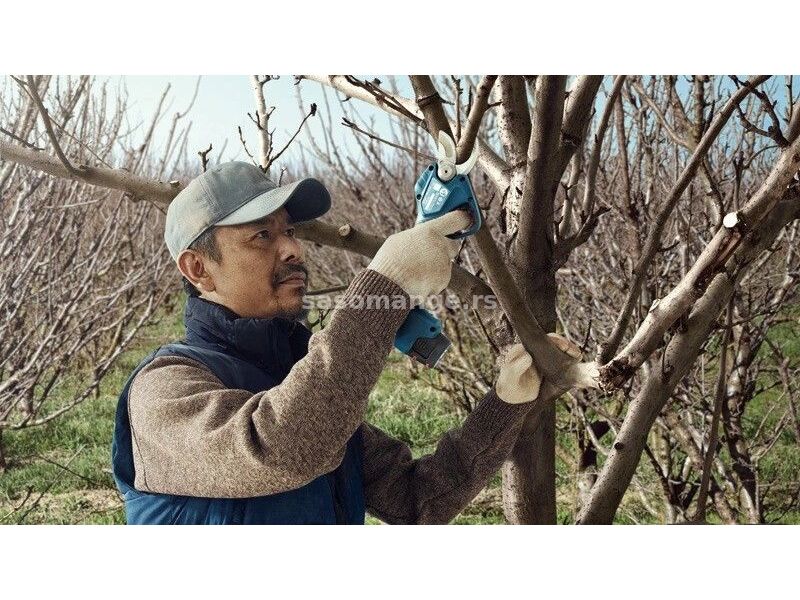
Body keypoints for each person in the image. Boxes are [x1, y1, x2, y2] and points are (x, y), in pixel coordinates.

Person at [111, 160, 581, 524]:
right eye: (261, 235)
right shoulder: (163, 391)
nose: (292, 248)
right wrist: (386, 283)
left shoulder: (297, 382)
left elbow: (418, 501)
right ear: (198, 268)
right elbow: (283, 448)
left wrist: (505, 404)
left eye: (289, 231)